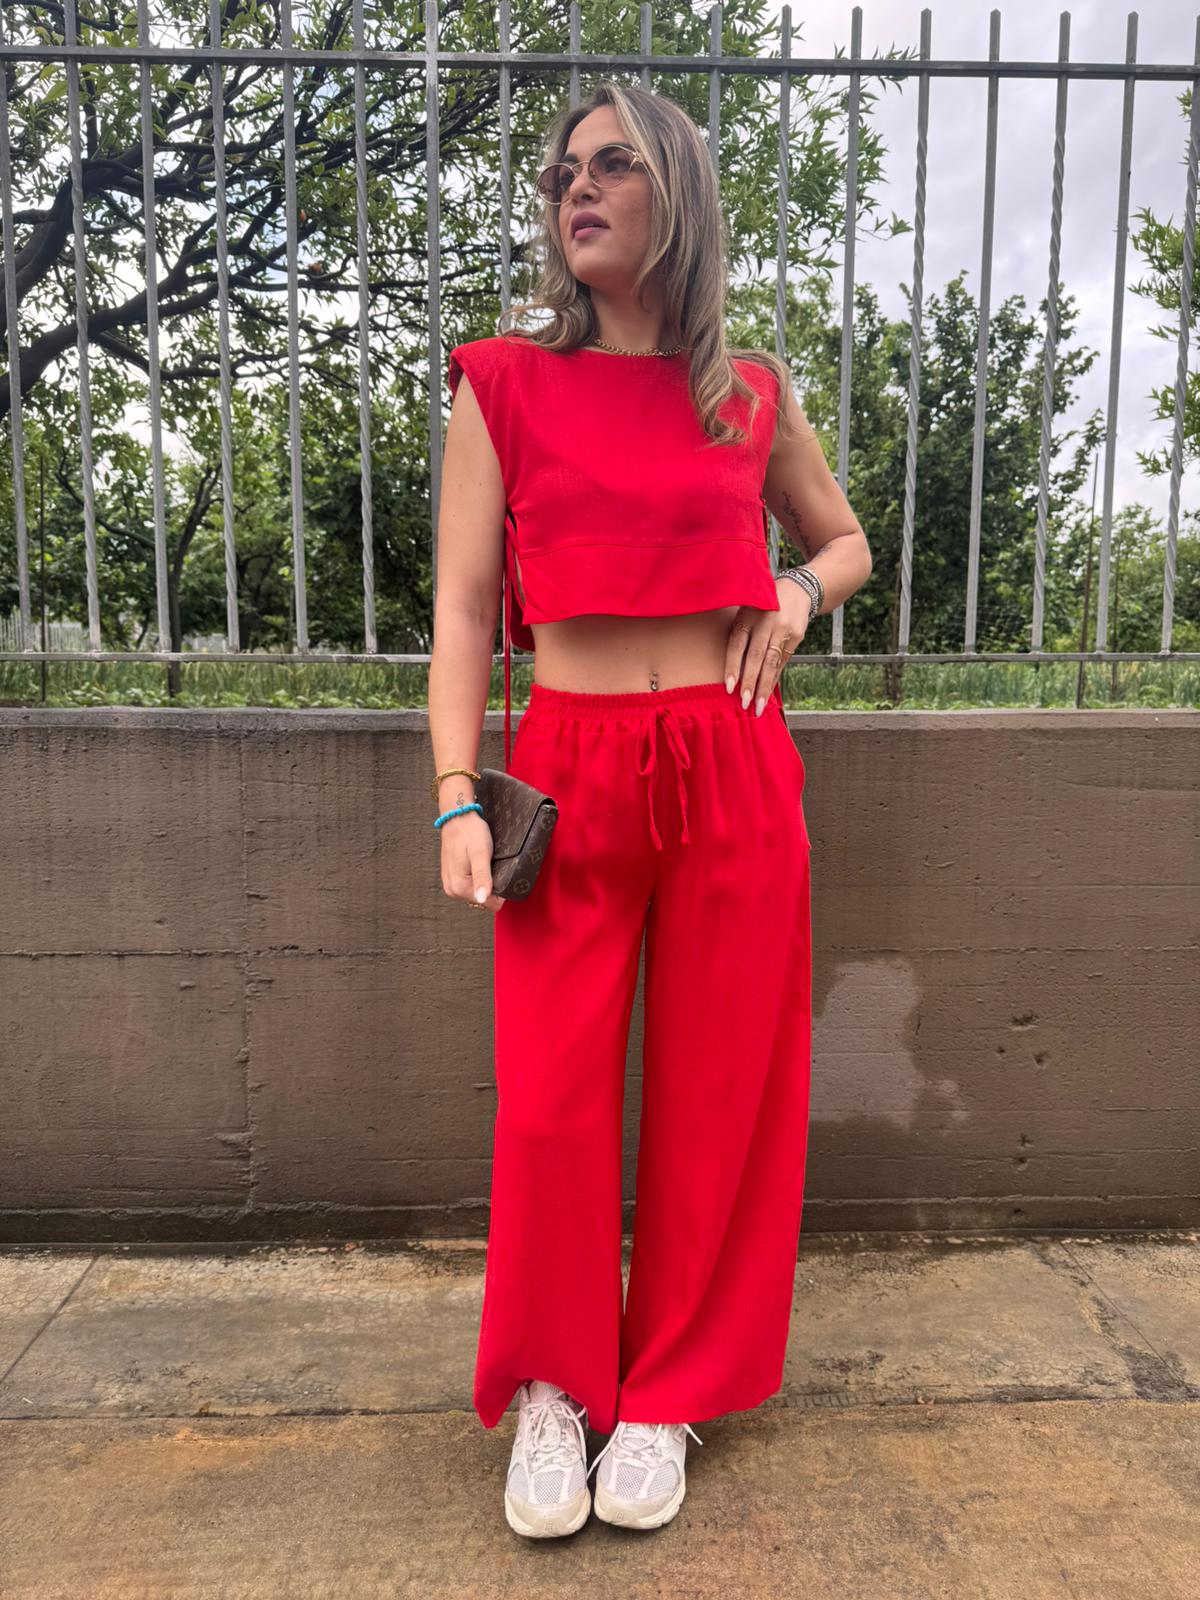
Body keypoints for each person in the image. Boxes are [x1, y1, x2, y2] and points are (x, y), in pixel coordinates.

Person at [429, 80, 872, 1538]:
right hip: (570, 768)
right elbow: (464, 608)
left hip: (732, 761)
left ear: (678, 191)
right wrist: (454, 795)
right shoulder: (503, 381)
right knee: (552, 1100)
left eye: (614, 164)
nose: (579, 187)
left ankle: (669, 1389)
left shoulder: (747, 392)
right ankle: (558, 1389)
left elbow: (847, 541)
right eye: (565, 170)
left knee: (721, 1088)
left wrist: (795, 594)